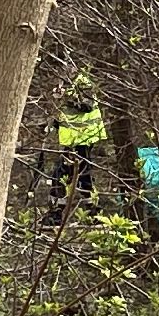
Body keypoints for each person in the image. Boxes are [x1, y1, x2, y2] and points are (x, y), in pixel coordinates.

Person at [50, 74, 107, 224]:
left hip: (83, 138)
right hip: (71, 140)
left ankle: (88, 212)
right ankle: (89, 212)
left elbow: (87, 106)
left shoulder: (82, 83)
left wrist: (66, 99)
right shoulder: (63, 83)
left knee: (74, 174)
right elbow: (64, 112)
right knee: (69, 174)